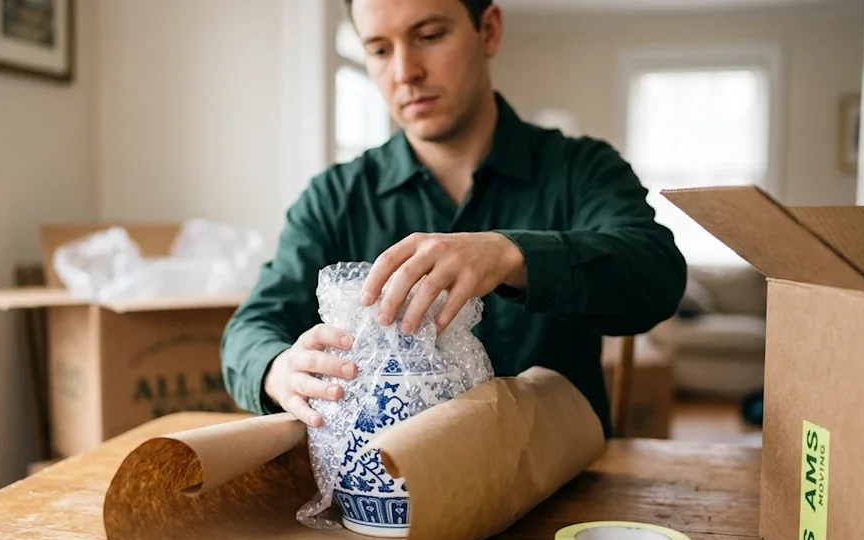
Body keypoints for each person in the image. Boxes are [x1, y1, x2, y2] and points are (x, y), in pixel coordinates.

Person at [220, 0, 687, 437]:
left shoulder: (583, 170)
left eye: (428, 36)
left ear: (488, 30)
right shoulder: (334, 198)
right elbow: (250, 330)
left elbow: (656, 275)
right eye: (380, 50)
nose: (405, 73)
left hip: (562, 485)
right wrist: (277, 368)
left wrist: (512, 254)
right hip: (387, 502)